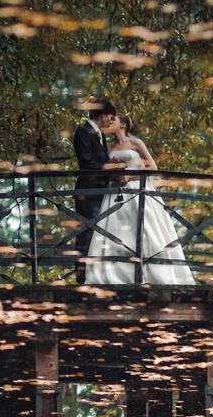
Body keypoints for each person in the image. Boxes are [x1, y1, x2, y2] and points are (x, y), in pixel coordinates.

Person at [82, 113, 195, 286]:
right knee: (114, 232)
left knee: (146, 230)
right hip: (114, 193)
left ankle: (152, 273)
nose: (110, 122)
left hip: (138, 190)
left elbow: (152, 166)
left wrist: (129, 177)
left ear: (123, 125)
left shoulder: (135, 143)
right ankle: (114, 274)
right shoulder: (107, 147)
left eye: (114, 120)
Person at [72, 98, 119, 284]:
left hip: (101, 192)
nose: (111, 121)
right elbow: (86, 162)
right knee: (85, 232)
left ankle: (96, 275)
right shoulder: (83, 132)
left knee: (98, 233)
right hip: (88, 193)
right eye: (110, 116)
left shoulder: (101, 136)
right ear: (101, 114)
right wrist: (109, 170)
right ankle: (81, 277)